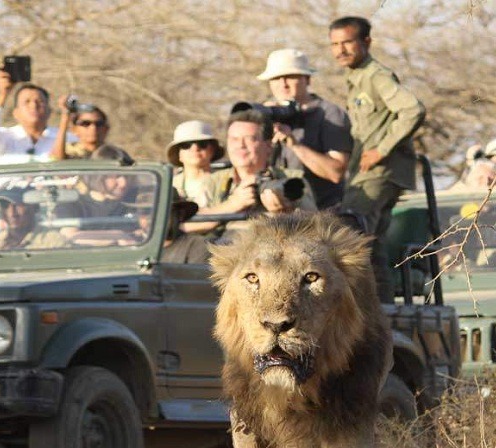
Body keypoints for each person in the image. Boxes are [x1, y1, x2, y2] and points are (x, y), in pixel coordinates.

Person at [330, 15, 426, 303]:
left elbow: (413, 109)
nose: (340, 50)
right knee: (372, 244)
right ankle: (382, 310)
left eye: (347, 42)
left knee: (348, 230)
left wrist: (382, 149)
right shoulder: (356, 76)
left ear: (366, 42)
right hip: (369, 172)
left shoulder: (375, 75)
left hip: (381, 171)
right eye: (334, 44)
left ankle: (362, 310)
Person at [182, 109, 316, 234]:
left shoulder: (293, 180)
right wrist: (233, 204)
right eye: (234, 139)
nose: (241, 145)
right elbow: (186, 225)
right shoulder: (213, 181)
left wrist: (284, 212)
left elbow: (315, 226)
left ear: (268, 146)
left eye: (250, 139)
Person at [256, 48, 353, 210]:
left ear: (307, 79)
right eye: (276, 78)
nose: (283, 84)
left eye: (290, 77)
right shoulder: (268, 114)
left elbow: (335, 173)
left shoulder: (329, 114)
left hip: (324, 213)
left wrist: (294, 144)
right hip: (277, 213)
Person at [0, 69, 74, 164]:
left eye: (40, 102)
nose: (34, 106)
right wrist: (3, 95)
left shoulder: (68, 139)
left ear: (49, 111)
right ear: (16, 113)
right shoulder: (4, 139)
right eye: (27, 102)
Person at [165, 120, 225, 208]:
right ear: (179, 154)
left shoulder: (227, 181)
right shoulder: (168, 186)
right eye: (186, 145)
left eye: (202, 144)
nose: (195, 148)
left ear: (212, 150)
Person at [161, 193, 211, 264]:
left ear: (180, 214)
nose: (152, 219)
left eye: (162, 212)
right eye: (145, 212)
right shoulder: (140, 246)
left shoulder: (196, 245)